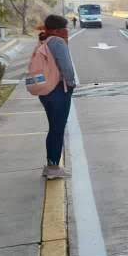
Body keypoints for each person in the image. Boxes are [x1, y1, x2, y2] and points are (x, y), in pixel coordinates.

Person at [37, 15, 76, 180]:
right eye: (65, 28)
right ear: (58, 30)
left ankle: (50, 165)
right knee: (57, 129)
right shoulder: (58, 42)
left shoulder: (44, 41)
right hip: (58, 90)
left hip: (45, 90)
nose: (67, 31)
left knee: (54, 128)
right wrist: (71, 83)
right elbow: (66, 67)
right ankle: (53, 167)